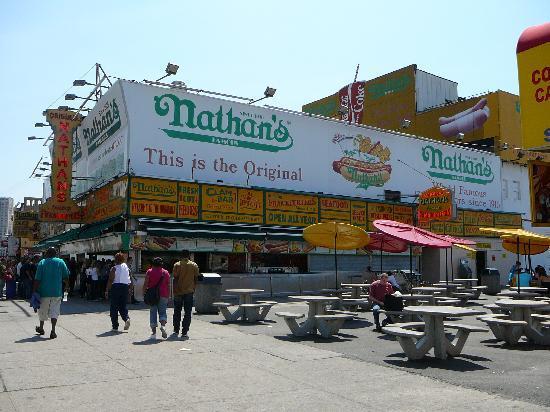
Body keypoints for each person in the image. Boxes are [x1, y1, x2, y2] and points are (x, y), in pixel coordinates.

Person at [33, 247, 69, 339]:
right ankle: (53, 331)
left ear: (47, 254)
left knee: (42, 310)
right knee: (55, 311)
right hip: (57, 292)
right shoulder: (61, 262)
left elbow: (37, 279)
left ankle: (41, 328)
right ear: (55, 254)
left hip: (43, 292)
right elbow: (66, 276)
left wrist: (34, 290)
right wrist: (67, 287)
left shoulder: (42, 262)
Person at [172, 250, 199, 340]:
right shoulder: (194, 265)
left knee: (177, 311)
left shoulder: (177, 265)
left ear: (181, 256)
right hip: (189, 291)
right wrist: (194, 288)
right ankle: (184, 332)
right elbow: (196, 278)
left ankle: (176, 330)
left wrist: (174, 290)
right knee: (187, 312)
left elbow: (175, 279)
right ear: (189, 256)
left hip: (178, 291)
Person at [143, 257, 170, 340]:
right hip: (163, 294)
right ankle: (163, 326)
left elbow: (145, 284)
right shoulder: (165, 272)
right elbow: (168, 285)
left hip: (152, 296)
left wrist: (144, 293)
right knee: (162, 312)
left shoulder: (149, 271)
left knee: (153, 312)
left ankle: (153, 333)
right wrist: (168, 296)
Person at [105, 253, 131, 332]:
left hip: (116, 287)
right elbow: (130, 279)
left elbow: (110, 280)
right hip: (125, 287)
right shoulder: (127, 267)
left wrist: (106, 290)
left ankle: (115, 326)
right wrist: (130, 289)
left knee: (114, 307)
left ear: (115, 259)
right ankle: (126, 318)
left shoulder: (114, 268)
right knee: (123, 306)